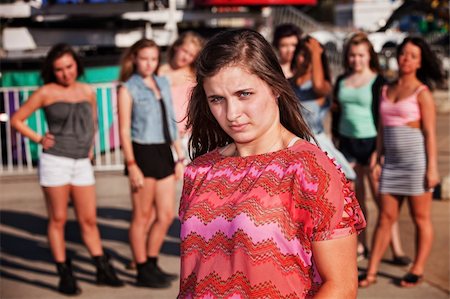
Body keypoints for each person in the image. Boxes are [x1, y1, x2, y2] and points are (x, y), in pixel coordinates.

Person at [178, 29, 366, 298]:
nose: (232, 114)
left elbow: (340, 286)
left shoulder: (309, 169)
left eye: (244, 94)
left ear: (275, 86)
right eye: (217, 99)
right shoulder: (199, 171)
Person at [10, 43, 123, 295]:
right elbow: (17, 120)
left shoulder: (87, 90)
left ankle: (101, 267)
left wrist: (91, 146)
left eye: (69, 67)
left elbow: (92, 121)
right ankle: (65, 273)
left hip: (82, 162)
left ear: (76, 65)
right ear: (52, 71)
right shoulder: (45, 92)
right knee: (58, 219)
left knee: (88, 220)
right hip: (55, 162)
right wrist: (39, 138)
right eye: (59, 69)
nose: (65, 73)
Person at [359, 36, 443, 288]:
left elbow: (429, 134)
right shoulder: (386, 89)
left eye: (412, 56)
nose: (406, 59)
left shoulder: (422, 93)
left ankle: (417, 268)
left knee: (420, 218)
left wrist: (432, 169)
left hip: (416, 164)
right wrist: (377, 154)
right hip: (391, 163)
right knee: (385, 217)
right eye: (403, 53)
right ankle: (371, 270)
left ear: (419, 62)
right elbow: (383, 129)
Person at [332, 32, 409, 264]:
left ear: (369, 56)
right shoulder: (341, 81)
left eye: (361, 55)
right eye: (352, 55)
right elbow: (337, 112)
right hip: (347, 144)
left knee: (382, 201)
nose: (356, 59)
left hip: (372, 144)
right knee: (356, 200)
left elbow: (383, 117)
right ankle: (361, 247)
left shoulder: (379, 82)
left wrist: (380, 151)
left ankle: (396, 248)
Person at [117, 38, 185, 288]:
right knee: (142, 216)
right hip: (141, 151)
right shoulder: (128, 89)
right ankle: (142, 268)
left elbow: (171, 120)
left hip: (163, 150)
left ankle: (152, 262)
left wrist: (179, 155)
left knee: (166, 215)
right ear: (134, 58)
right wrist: (131, 164)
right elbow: (124, 130)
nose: (149, 64)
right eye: (144, 58)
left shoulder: (162, 83)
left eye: (154, 59)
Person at [290, 36, 356, 181]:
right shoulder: (286, 85)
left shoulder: (323, 87)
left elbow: (318, 86)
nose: (306, 60)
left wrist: (315, 52)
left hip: (316, 144)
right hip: (291, 145)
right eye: (303, 55)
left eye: (310, 56)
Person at [158, 31, 205, 145]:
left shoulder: (195, 77)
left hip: (187, 135)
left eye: (191, 55)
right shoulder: (159, 72)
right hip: (163, 133)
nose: (186, 57)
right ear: (176, 47)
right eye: (185, 51)